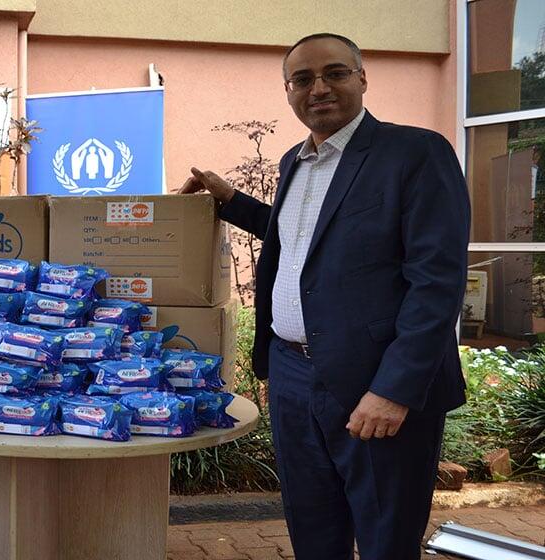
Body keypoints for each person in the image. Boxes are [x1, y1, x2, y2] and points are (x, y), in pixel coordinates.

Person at [181, 33, 470, 559]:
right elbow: (301, 240)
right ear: (288, 90)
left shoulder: (415, 153)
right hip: (294, 378)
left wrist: (395, 390)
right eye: (303, 79)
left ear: (362, 79)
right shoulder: (295, 160)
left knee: (386, 537)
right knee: (312, 529)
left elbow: (437, 281)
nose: (319, 88)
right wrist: (230, 201)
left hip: (374, 381)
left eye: (335, 73)